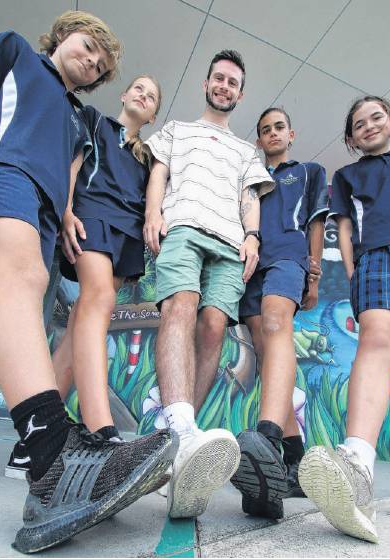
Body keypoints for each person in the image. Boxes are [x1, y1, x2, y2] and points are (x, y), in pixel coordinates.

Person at [0, 13, 176, 553]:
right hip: (4, 168)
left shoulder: (73, 117)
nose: (92, 60)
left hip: (41, 205)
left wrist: (61, 210)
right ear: (61, 35)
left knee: (4, 291)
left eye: (101, 62)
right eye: (88, 46)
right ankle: (49, 449)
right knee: (20, 277)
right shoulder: (16, 52)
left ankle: (50, 452)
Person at [4, 75, 162, 478]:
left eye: (152, 96)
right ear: (125, 94)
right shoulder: (93, 121)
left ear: (154, 113)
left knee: (81, 326)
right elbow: (73, 166)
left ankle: (31, 444)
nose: (143, 95)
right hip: (91, 216)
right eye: (138, 88)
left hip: (125, 235)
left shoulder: (149, 156)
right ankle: (102, 431)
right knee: (98, 303)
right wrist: (67, 210)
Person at [144, 49, 274, 518]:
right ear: (206, 84)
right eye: (218, 79)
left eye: (232, 82)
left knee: (215, 326)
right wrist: (153, 213)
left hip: (230, 243)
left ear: (239, 94)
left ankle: (185, 439)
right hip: (182, 226)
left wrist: (253, 237)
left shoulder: (247, 151)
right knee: (179, 306)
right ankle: (179, 430)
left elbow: (250, 198)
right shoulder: (177, 130)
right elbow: (158, 173)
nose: (224, 86)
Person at [299, 97, 390, 543]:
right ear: (349, 138)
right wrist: (353, 273)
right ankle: (358, 468)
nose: (368, 126)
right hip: (379, 256)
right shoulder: (346, 177)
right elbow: (344, 227)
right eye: (358, 124)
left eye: (377, 117)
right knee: (378, 341)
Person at [231, 107, 328, 519]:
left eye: (279, 128)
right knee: (268, 356)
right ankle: (293, 459)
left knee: (276, 323)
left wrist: (315, 272)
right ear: (258, 139)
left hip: (288, 258)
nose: (272, 134)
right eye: (265, 129)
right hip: (249, 265)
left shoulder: (308, 171)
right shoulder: (251, 180)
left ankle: (268, 437)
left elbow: (316, 222)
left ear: (292, 133)